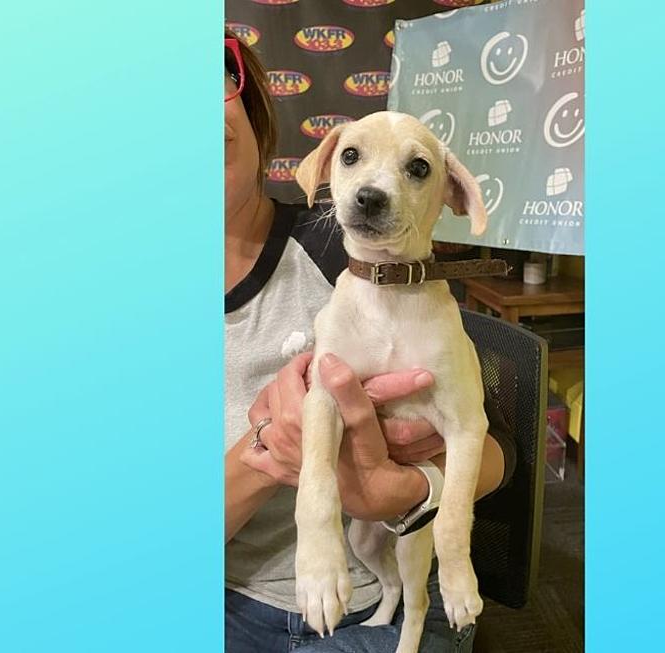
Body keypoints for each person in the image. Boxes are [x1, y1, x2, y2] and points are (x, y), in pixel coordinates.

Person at [223, 32, 515, 653]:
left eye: (415, 169)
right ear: (327, 167)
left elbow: (488, 444)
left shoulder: (327, 255)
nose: (371, 187)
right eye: (353, 158)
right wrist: (279, 457)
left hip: (378, 573)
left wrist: (421, 501)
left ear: (452, 195)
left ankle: (405, 614)